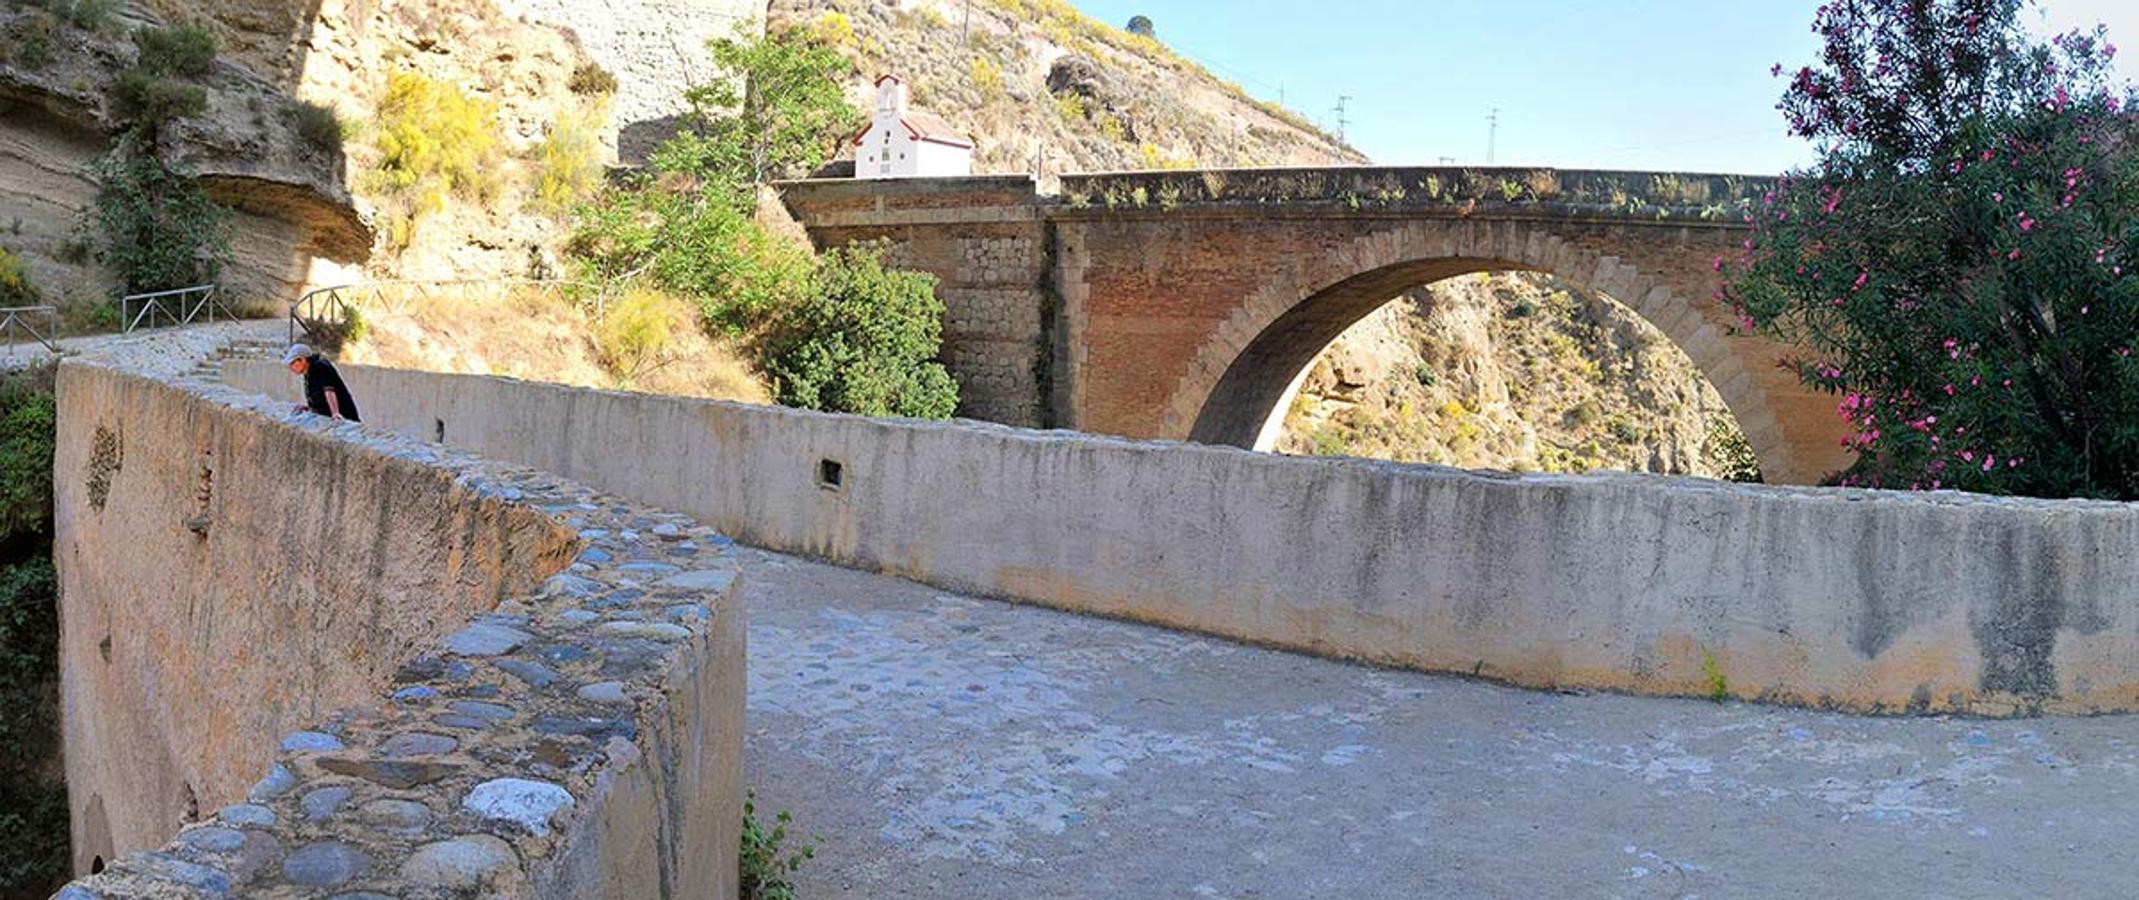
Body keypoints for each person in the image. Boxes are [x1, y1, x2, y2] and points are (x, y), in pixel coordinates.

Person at [283, 343, 361, 422]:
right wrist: (308, 408)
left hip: (345, 417)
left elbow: (329, 390)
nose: (290, 367)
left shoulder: (321, 366)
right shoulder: (309, 372)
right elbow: (319, 398)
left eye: (292, 363)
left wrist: (335, 413)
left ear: (302, 360)